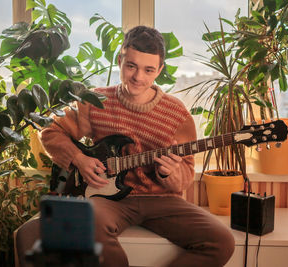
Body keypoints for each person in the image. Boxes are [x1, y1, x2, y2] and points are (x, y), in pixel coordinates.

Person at [41, 25, 235, 267]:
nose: (138, 77)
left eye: (149, 69)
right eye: (131, 66)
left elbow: (185, 178)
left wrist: (169, 173)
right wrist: (79, 159)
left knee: (222, 241)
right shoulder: (95, 100)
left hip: (163, 200)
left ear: (160, 70)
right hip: (108, 200)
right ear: (120, 60)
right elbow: (50, 131)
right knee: (85, 225)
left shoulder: (177, 114)